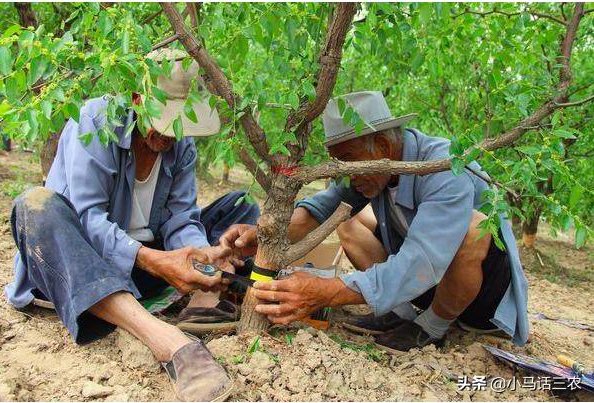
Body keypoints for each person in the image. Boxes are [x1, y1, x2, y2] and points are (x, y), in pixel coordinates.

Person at [4, 48, 259, 401]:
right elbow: (87, 218)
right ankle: (165, 339)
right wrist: (152, 259)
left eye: (180, 123)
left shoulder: (180, 147)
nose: (171, 135)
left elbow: (181, 218)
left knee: (241, 205)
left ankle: (200, 293)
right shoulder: (95, 121)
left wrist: (202, 255)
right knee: (35, 204)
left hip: (145, 268)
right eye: (165, 120)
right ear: (138, 99)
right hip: (81, 266)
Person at [221, 90, 529, 352]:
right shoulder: (370, 172)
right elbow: (316, 212)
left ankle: (432, 327)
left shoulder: (446, 166)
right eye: (338, 163)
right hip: (426, 286)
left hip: (481, 303)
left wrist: (329, 291)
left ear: (382, 148)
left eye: (348, 160)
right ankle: (402, 313)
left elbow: (423, 260)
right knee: (344, 218)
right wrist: (260, 235)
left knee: (473, 229)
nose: (345, 173)